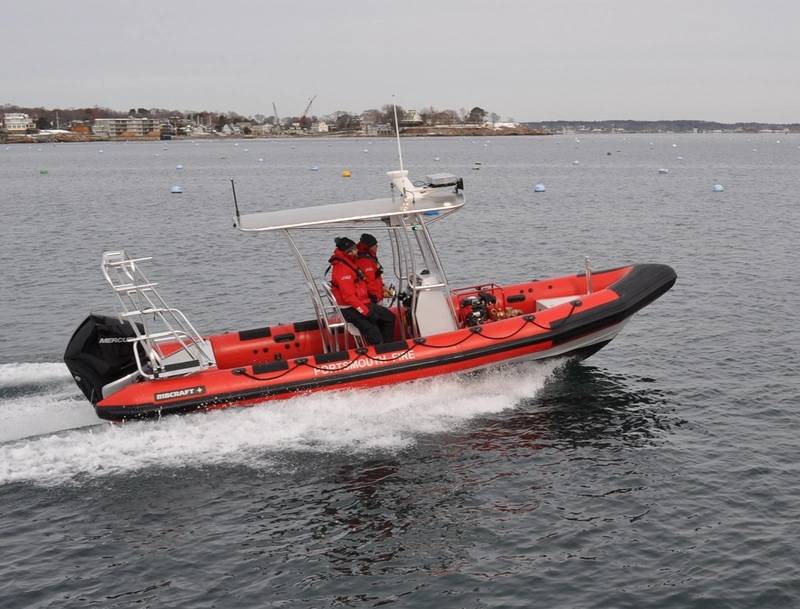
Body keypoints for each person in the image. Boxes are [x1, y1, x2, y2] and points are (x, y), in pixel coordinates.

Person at [329, 237, 395, 345]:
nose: (357, 251)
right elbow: (348, 297)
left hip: (361, 302)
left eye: (356, 248)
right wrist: (366, 312)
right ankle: (382, 352)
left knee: (389, 317)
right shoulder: (342, 270)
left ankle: (386, 347)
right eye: (354, 250)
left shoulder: (349, 263)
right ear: (347, 252)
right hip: (350, 308)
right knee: (373, 332)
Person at [356, 233, 393, 304]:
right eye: (375, 245)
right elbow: (370, 281)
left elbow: (376, 277)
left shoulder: (370, 257)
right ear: (369, 246)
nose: (377, 247)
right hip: (372, 299)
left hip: (376, 296)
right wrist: (377, 295)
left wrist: (383, 288)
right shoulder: (364, 261)